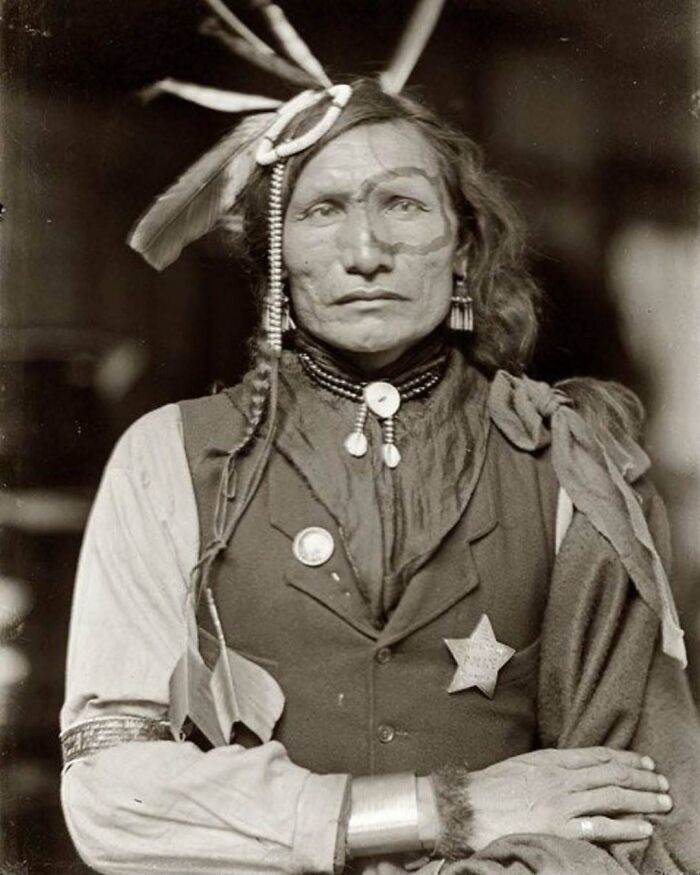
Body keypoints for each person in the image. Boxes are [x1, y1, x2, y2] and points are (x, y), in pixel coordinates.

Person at [60, 73, 700, 875]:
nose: (366, 252)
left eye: (401, 204)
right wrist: (446, 809)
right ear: (274, 255)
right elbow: (113, 795)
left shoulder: (573, 468)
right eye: (323, 210)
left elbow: (640, 806)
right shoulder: (168, 460)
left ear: (462, 243)